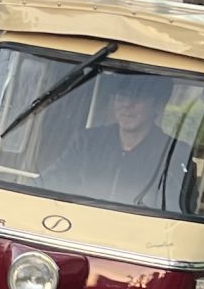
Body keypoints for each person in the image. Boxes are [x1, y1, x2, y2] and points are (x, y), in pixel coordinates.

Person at [39, 75, 183, 212]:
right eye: (122, 95)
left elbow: (178, 207)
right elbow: (54, 178)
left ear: (158, 105)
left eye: (138, 97)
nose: (127, 104)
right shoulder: (87, 141)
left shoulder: (175, 153)